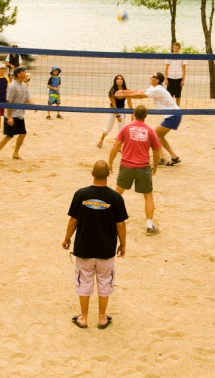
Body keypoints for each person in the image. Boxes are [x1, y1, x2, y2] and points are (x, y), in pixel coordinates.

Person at [62, 160, 128, 330]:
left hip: (84, 249)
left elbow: (73, 220)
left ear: (92, 173)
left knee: (84, 282)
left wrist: (67, 238)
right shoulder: (116, 197)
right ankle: (101, 318)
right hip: (106, 250)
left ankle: (83, 318)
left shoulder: (80, 195)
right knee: (105, 282)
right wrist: (123, 244)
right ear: (109, 174)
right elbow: (120, 224)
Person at [108, 105, 161, 235]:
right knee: (148, 196)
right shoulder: (150, 130)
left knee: (117, 194)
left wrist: (110, 163)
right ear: (146, 116)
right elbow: (156, 150)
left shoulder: (126, 128)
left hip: (126, 166)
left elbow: (115, 146)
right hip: (143, 167)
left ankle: (107, 220)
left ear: (133, 114)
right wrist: (155, 166)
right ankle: (149, 226)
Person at [115, 72, 182, 166]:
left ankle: (163, 158)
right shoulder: (154, 88)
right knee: (159, 136)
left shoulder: (158, 90)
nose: (151, 77)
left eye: (153, 77)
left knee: (155, 135)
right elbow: (140, 91)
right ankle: (172, 156)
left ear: (157, 80)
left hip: (174, 116)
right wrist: (124, 92)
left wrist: (125, 95)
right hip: (173, 115)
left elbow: (141, 96)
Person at [0, 66, 31, 160]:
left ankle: (15, 153)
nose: (25, 73)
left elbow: (28, 98)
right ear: (18, 74)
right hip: (11, 115)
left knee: (23, 133)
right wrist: (10, 117)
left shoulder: (24, 85)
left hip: (20, 115)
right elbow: (9, 102)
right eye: (23, 72)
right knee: (8, 136)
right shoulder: (12, 86)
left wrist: (35, 106)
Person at [97, 74, 133, 148]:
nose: (120, 80)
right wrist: (117, 115)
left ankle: (119, 146)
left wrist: (132, 113)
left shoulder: (126, 90)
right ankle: (101, 139)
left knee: (121, 130)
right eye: (118, 79)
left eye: (121, 79)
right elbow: (113, 104)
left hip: (122, 110)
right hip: (113, 111)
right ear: (115, 81)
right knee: (108, 129)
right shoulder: (112, 91)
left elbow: (129, 102)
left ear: (123, 81)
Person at [164, 42, 187, 106]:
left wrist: (183, 80)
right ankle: (170, 109)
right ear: (173, 48)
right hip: (170, 78)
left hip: (179, 78)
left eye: (177, 48)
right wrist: (166, 79)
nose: (176, 49)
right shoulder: (169, 56)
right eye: (174, 48)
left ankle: (177, 110)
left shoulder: (183, 56)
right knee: (169, 96)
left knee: (178, 96)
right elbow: (166, 68)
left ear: (179, 49)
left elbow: (184, 69)